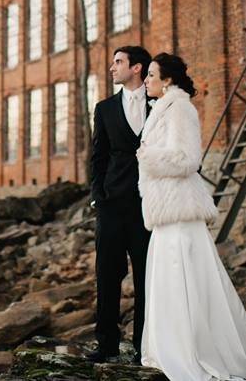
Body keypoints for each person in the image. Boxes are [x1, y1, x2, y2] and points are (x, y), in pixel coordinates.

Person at [138, 53, 246, 380]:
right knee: (167, 281)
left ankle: (191, 351)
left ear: (167, 80)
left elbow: (187, 159)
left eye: (151, 75)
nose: (146, 80)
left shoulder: (180, 108)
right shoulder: (161, 109)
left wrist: (146, 158)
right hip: (165, 210)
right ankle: (170, 348)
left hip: (179, 211)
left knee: (186, 280)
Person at [86, 45, 154, 364]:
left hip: (149, 206)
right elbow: (97, 157)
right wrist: (98, 196)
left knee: (146, 277)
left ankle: (144, 345)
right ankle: (107, 344)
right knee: (107, 274)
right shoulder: (104, 109)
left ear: (137, 68)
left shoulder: (159, 104)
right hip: (112, 205)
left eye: (118, 62)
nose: (112, 68)